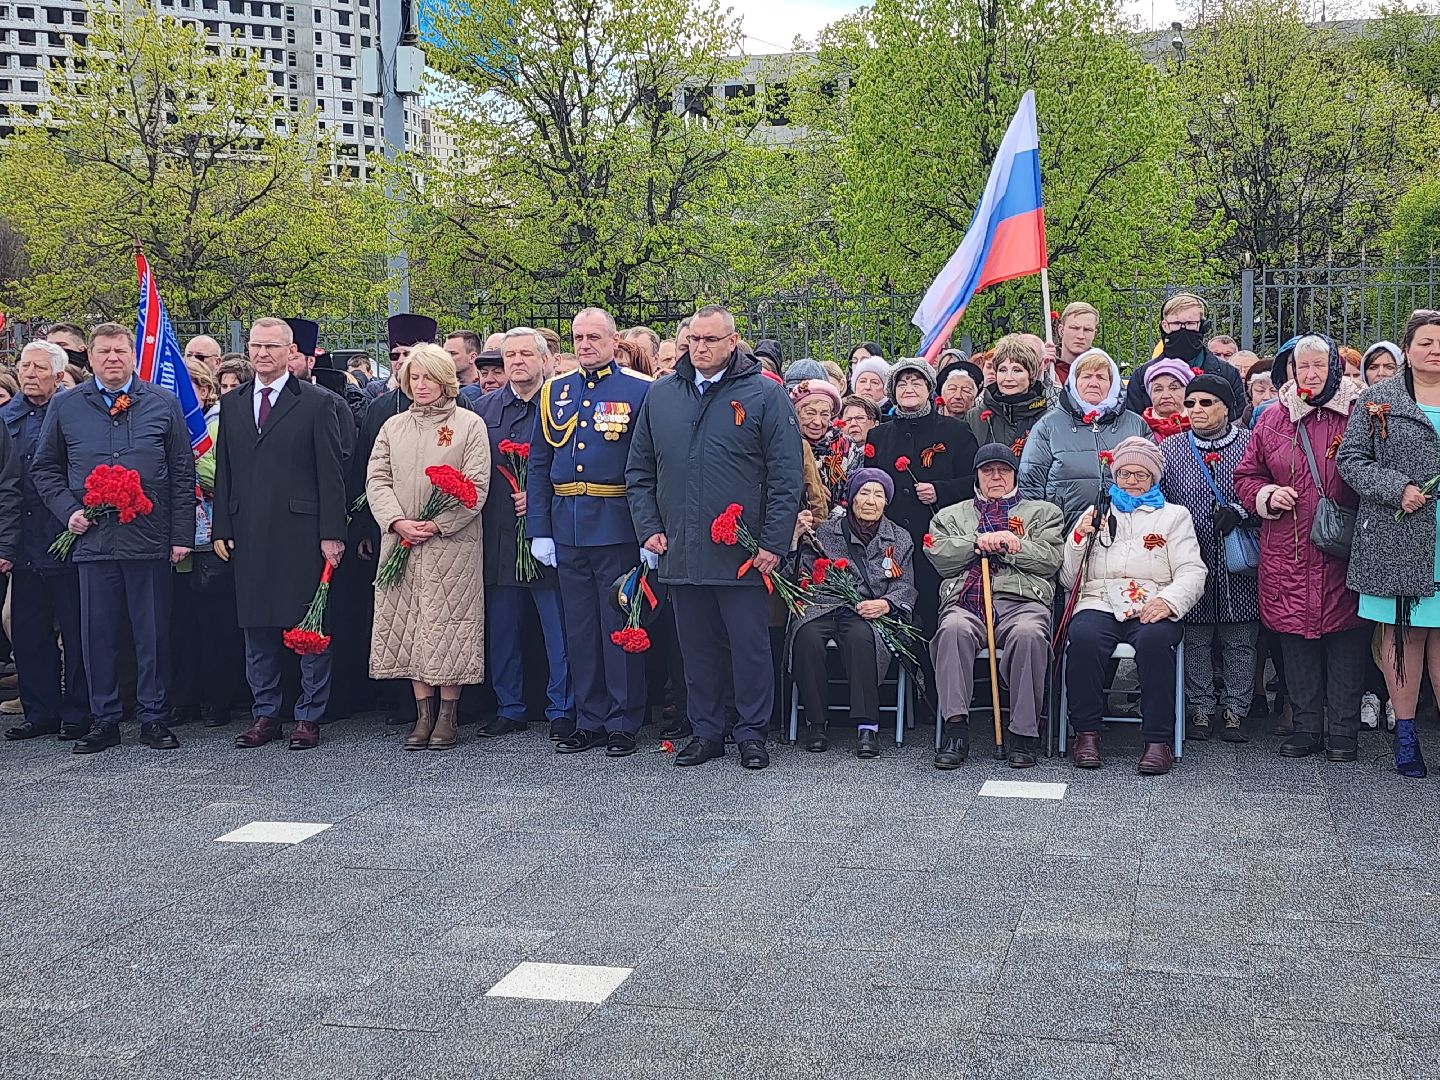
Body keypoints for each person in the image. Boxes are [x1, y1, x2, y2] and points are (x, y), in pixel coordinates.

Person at [627, 304, 803, 770]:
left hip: (742, 552)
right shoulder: (662, 394)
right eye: (693, 340)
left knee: (748, 648)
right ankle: (705, 732)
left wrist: (772, 542)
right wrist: (649, 528)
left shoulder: (765, 394)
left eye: (710, 339)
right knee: (695, 649)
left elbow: (786, 477)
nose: (700, 348)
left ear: (733, 341)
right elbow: (639, 471)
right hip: (682, 548)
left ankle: (751, 733)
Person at [31, 322, 194, 754]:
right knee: (97, 634)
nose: (112, 358)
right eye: (103, 352)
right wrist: (69, 511)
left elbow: (182, 472)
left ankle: (154, 716)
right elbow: (45, 468)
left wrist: (180, 535)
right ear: (90, 357)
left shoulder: (162, 401)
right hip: (93, 540)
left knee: (151, 634)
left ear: (132, 355)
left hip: (149, 537)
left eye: (120, 351)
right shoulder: (66, 405)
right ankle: (104, 718)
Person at [212, 317, 348, 752]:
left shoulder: (315, 402)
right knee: (257, 627)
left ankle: (308, 715)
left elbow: (331, 473)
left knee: (308, 627)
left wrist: (332, 533)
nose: (262, 354)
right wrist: (222, 526)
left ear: (290, 352)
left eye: (272, 346)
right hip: (249, 531)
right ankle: (265, 713)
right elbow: (225, 470)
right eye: (256, 346)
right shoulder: (232, 403)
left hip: (301, 532)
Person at [1235, 334, 1366, 761]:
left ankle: (1344, 732)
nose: (1310, 374)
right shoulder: (1273, 417)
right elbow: (1247, 476)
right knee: (1295, 638)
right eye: (1301, 366)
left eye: (1318, 365)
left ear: (1335, 368)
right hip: (1288, 548)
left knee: (1346, 640)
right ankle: (1307, 727)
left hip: (1344, 546)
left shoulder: (1359, 413)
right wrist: (1267, 495)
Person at [528, 307, 651, 758]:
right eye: (578, 337)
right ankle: (589, 718)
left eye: (594, 337)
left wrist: (648, 531)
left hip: (617, 523)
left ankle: (622, 720)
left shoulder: (639, 390)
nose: (584, 344)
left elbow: (648, 466)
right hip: (567, 526)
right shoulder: (554, 391)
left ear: (614, 341)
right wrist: (540, 529)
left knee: (617, 623)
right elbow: (539, 465)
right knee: (578, 628)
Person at [366, 343, 490, 751]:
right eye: (414, 377)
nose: (421, 385)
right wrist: (397, 521)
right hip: (402, 539)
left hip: (450, 543)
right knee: (410, 624)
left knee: (448, 624)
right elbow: (377, 480)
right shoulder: (393, 426)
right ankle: (422, 714)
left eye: (429, 378)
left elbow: (476, 485)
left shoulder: (469, 424)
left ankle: (448, 715)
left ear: (445, 380)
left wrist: (438, 523)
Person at [1061, 437, 1207, 774]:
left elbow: (1192, 570)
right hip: (1099, 599)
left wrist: (1169, 601)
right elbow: (1069, 578)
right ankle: (1086, 733)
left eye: (1141, 475)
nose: (1131, 481)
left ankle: (1158, 740)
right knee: (1083, 639)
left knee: (1155, 641)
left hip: (1152, 599)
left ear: (1154, 478)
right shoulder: (1097, 512)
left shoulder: (1174, 517)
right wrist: (1080, 538)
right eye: (1124, 473)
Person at [1339, 311, 1440, 778]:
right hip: (1399, 534)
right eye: (1426, 342)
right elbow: (1351, 459)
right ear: (1408, 350)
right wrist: (1396, 487)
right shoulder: (1379, 399)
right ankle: (1405, 734)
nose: (1435, 350)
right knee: (1404, 635)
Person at [927, 443, 1064, 769]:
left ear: (1015, 475)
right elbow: (940, 558)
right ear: (977, 476)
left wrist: (1013, 546)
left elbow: (1051, 560)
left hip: (1023, 601)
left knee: (1030, 634)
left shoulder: (1044, 513)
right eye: (988, 471)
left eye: (1003, 470)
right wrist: (975, 543)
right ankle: (955, 729)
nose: (996, 477)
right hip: (967, 600)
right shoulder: (949, 515)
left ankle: (1023, 733)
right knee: (952, 629)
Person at [471, 327, 572, 741]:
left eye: (526, 354)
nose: (516, 362)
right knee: (503, 628)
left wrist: (541, 493)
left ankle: (562, 706)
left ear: (545, 360)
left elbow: (576, 462)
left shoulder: (562, 404)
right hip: (499, 532)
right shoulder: (483, 408)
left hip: (548, 532)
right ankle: (509, 706)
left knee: (557, 628)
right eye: (509, 355)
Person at [788, 469, 917, 758]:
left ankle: (867, 726)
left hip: (867, 609)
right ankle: (816, 723)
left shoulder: (899, 538)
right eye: (864, 493)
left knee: (860, 638)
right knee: (806, 636)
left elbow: (905, 585)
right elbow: (801, 574)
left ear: (886, 502)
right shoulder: (825, 531)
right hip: (824, 605)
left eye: (878, 495)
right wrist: (795, 540)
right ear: (851, 498)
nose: (870, 501)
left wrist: (886, 603)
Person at [1159, 373, 1260, 742]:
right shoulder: (1171, 448)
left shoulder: (1250, 442)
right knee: (1195, 637)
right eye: (1190, 403)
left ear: (1227, 407)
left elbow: (1264, 488)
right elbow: (1158, 499)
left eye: (1206, 402)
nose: (1196, 409)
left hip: (1238, 557)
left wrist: (1241, 511)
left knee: (1240, 638)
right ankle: (1200, 709)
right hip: (1190, 556)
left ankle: (1236, 711)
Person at [2, 341, 85, 742]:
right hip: (24, 542)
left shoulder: (74, 412)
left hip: (66, 537)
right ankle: (40, 712)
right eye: (24, 366)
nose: (29, 373)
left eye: (38, 367)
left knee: (76, 632)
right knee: (30, 633)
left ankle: (79, 710)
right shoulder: (6, 418)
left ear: (59, 374)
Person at [862, 359, 979, 635]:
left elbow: (974, 482)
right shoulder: (878, 436)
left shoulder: (955, 431)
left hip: (938, 539)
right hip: (891, 541)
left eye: (916, 382)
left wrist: (940, 490)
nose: (909, 388)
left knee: (931, 614)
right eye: (902, 383)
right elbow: (869, 482)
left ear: (929, 389)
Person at [1019, 348, 1149, 527]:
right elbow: (1030, 483)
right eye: (1086, 376)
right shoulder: (1048, 426)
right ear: (1074, 381)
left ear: (1113, 384)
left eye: (1101, 377)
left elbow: (1153, 479)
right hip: (1063, 531)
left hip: (1126, 531)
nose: (1093, 383)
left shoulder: (1136, 425)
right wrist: (1044, 531)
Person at [1126, 294, 1244, 416]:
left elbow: (1236, 417)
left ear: (1202, 326)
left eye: (1190, 323)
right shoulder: (1142, 376)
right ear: (1165, 326)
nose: (1183, 329)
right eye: (1176, 323)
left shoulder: (1228, 373)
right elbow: (1133, 420)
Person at [966, 334, 1048, 459]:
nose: (1008, 378)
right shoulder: (974, 417)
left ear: (1031, 374)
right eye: (1003, 370)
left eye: (1017, 370)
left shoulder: (1047, 419)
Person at [791, 378, 857, 509]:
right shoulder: (786, 445)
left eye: (824, 414)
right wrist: (810, 488)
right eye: (810, 413)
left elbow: (854, 491)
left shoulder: (847, 446)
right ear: (796, 413)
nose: (817, 422)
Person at [1044, 302, 1098, 391]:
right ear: (1061, 331)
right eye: (1074, 328)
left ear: (1094, 334)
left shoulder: (1104, 371)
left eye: (1087, 330)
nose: (1081, 336)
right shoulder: (1047, 368)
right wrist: (1039, 368)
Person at [1140, 357, 1195, 442]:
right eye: (1158, 389)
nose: (1165, 395)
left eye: (1173, 388)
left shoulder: (1201, 425)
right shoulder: (1139, 428)